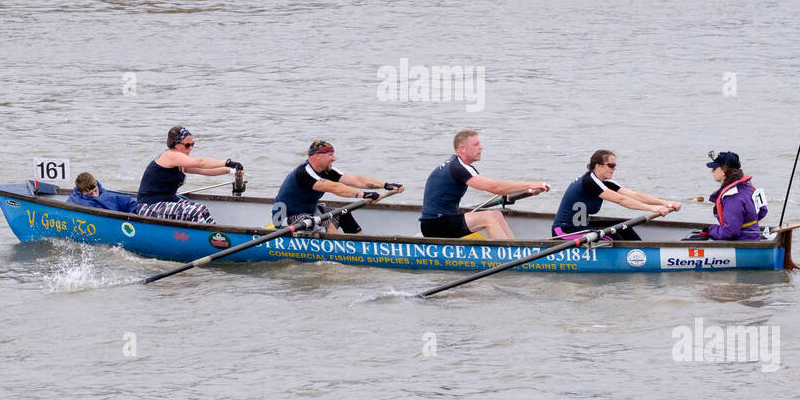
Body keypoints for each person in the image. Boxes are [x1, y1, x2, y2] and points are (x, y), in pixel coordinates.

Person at [418, 130, 548, 240]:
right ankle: (508, 257)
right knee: (488, 217)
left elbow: (499, 189)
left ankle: (517, 251)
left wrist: (529, 190)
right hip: (434, 226)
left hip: (444, 221)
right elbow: (495, 188)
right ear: (462, 148)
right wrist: (530, 184)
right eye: (476, 144)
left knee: (497, 214)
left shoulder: (460, 165)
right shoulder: (458, 168)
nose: (481, 147)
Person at [273, 140, 403, 234]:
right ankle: (341, 254)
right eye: (330, 155)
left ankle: (362, 246)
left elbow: (355, 180)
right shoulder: (304, 172)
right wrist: (364, 195)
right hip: (285, 217)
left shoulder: (327, 170)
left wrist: (385, 185)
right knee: (327, 222)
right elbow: (334, 188)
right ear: (317, 156)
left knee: (343, 214)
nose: (334, 158)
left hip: (309, 211)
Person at [551, 150, 680, 242]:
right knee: (612, 236)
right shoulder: (589, 181)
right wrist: (653, 209)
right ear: (597, 166)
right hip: (565, 231)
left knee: (624, 226)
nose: (614, 169)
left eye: (615, 165)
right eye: (611, 165)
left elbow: (634, 195)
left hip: (582, 228)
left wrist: (664, 203)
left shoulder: (605, 182)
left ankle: (640, 252)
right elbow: (621, 200)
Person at [135, 126, 242, 224]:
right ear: (175, 144)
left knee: (201, 208)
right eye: (187, 145)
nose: (190, 148)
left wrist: (231, 170)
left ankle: (217, 235)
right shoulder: (171, 156)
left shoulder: (180, 162)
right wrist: (228, 162)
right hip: (149, 207)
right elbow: (201, 162)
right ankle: (209, 238)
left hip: (168, 202)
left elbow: (204, 170)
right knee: (195, 211)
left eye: (192, 144)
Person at [686, 151, 767, 242]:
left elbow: (730, 232)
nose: (712, 171)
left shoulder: (732, 196)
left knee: (688, 240)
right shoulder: (748, 187)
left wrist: (710, 230)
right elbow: (763, 211)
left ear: (724, 171)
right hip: (753, 239)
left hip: (742, 245)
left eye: (715, 168)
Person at [68, 172, 138, 214]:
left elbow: (127, 202)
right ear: (80, 192)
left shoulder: (108, 196)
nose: (95, 195)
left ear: (97, 185)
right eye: (90, 194)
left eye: (95, 191)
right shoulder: (75, 200)